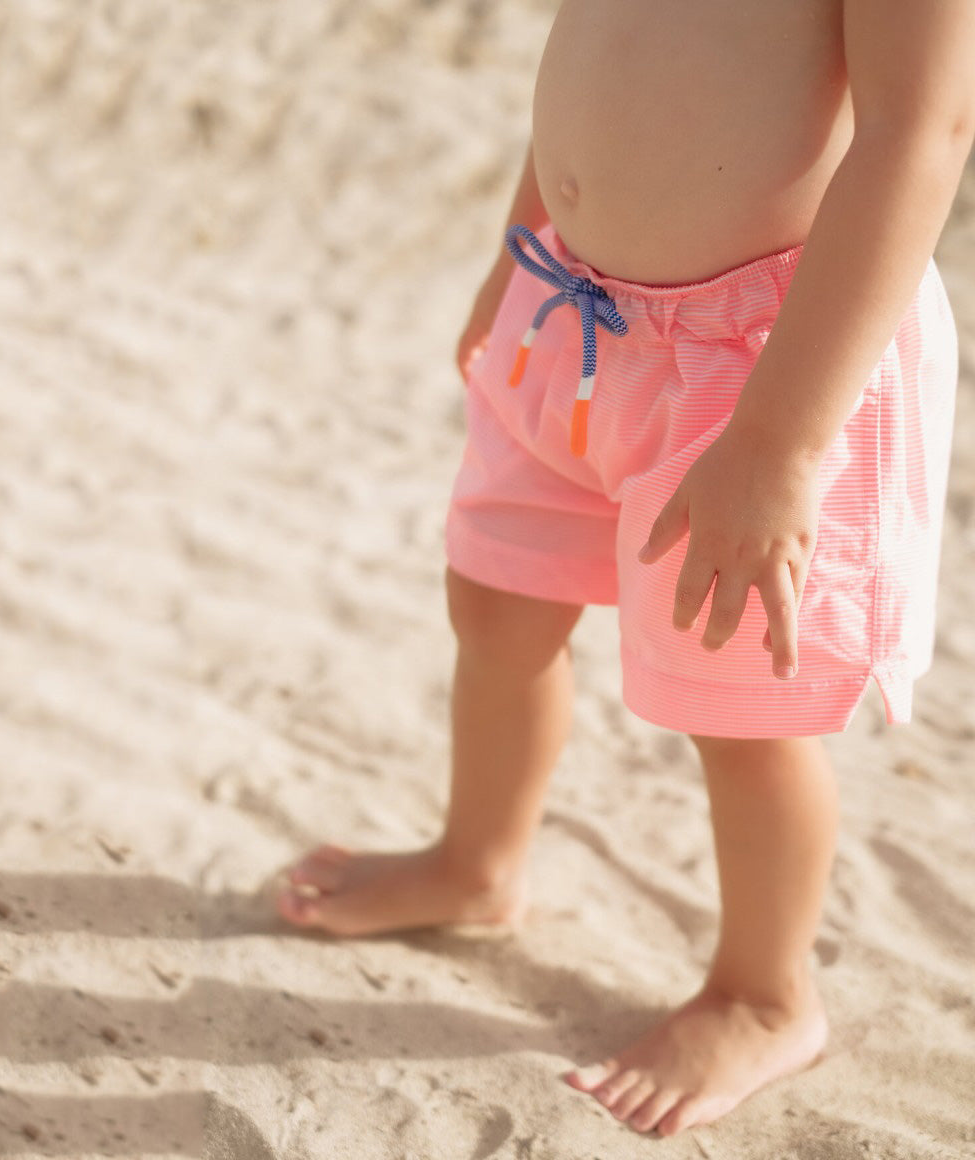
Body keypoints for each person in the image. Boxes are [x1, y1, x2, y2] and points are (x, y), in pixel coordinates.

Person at [275, 0, 974, 1138]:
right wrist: (519, 247)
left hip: (756, 371)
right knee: (495, 603)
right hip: (574, 307)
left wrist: (777, 442)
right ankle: (476, 860)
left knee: (738, 709)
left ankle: (762, 992)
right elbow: (595, 55)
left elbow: (920, 132)